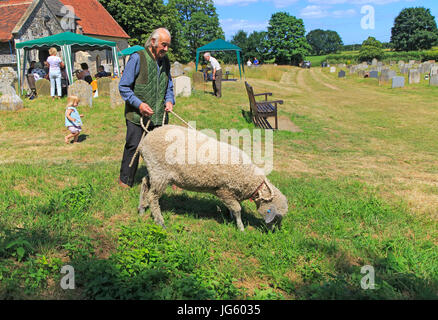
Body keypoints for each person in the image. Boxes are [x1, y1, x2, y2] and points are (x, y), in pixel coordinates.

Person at [118, 27, 175, 188]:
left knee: (160, 149)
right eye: (164, 45)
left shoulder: (165, 61)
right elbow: (123, 87)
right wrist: (139, 104)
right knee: (133, 146)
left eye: (168, 46)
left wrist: (169, 100)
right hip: (137, 116)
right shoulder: (138, 58)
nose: (166, 49)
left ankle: (159, 181)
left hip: (159, 115)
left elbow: (169, 85)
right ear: (153, 42)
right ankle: (125, 180)